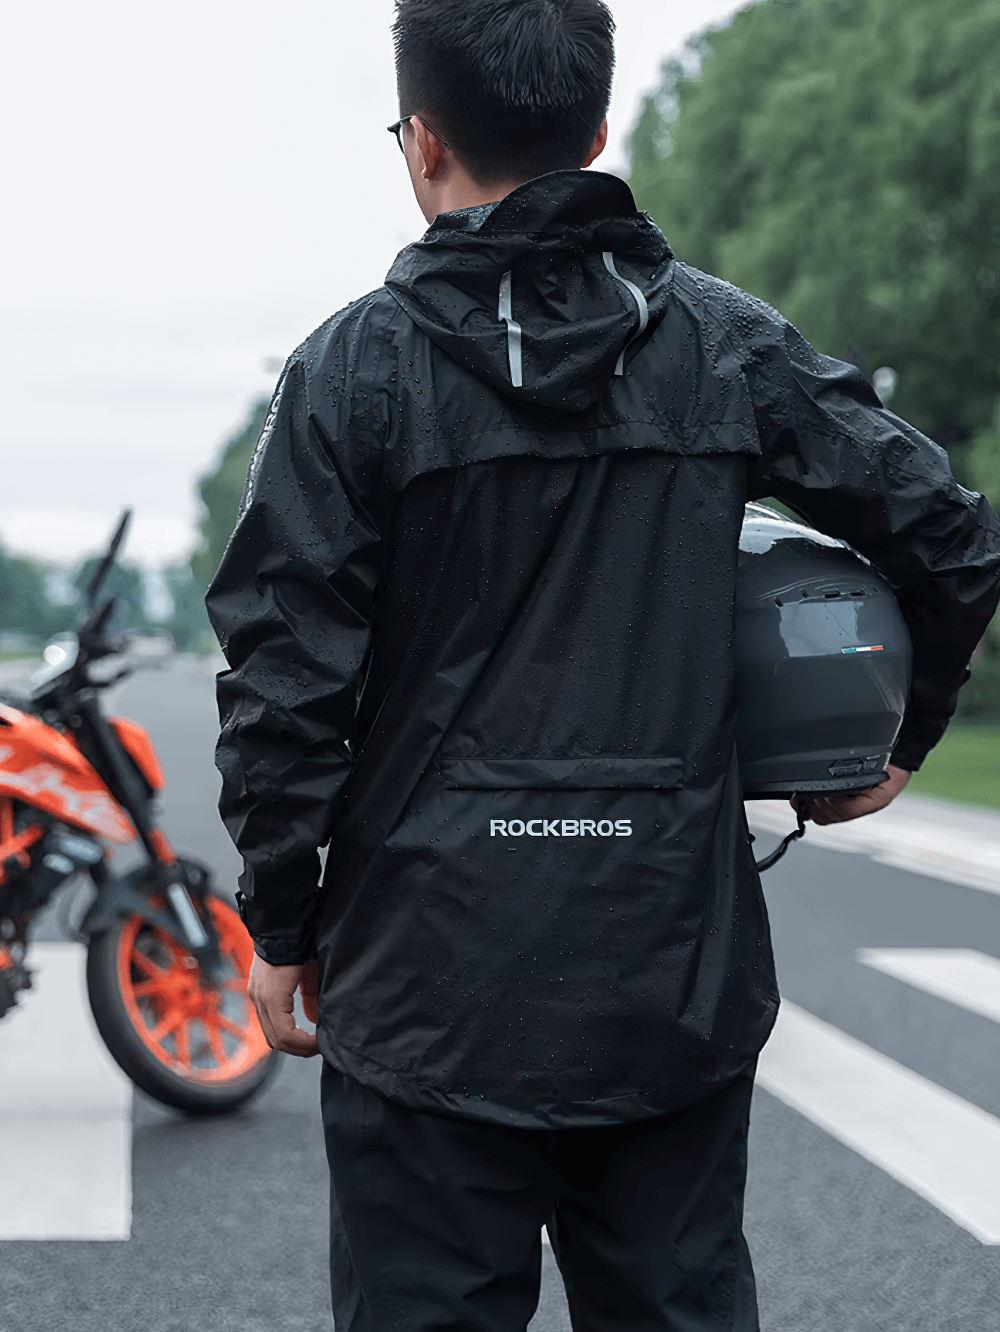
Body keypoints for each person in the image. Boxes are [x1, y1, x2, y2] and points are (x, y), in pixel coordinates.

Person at [207, 2, 1000, 1328]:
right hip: (669, 976)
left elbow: (281, 684)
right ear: (596, 133)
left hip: (424, 984)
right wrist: (896, 740)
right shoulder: (730, 344)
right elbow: (952, 537)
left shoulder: (350, 373)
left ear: (422, 141)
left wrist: (282, 923)